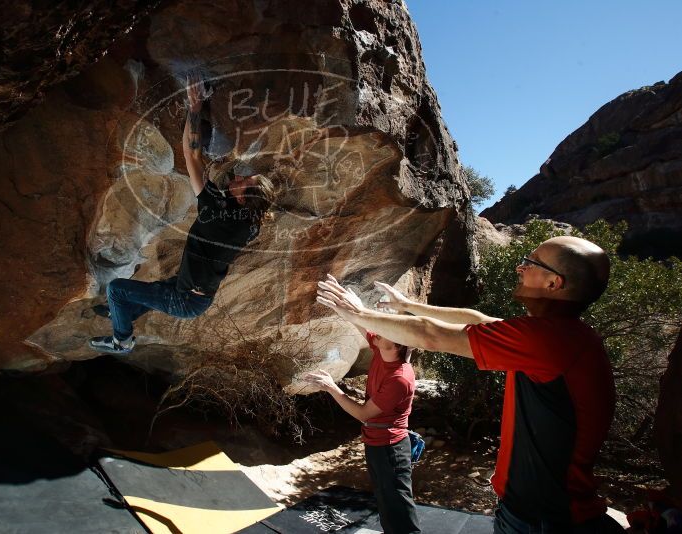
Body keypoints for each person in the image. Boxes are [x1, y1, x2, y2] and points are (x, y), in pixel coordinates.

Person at [316, 236, 626, 533]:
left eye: (529, 262)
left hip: (542, 517)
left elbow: (431, 335)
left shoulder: (550, 340)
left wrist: (359, 313)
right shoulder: (564, 335)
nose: (520, 268)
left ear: (553, 283)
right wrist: (407, 305)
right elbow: (474, 318)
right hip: (542, 511)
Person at [89, 76, 276, 355]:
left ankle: (122, 340)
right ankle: (121, 312)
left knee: (116, 288)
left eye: (242, 181)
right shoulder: (249, 222)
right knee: (150, 292)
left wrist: (195, 107)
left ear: (241, 198)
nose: (237, 176)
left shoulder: (218, 213)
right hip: (194, 293)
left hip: (186, 300)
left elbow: (192, 155)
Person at [304, 277, 421, 534]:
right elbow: (361, 322)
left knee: (398, 505)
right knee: (385, 500)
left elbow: (363, 414)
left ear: (397, 342)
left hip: (390, 448)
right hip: (376, 443)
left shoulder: (400, 378)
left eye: (383, 329)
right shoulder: (383, 347)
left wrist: (331, 387)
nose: (376, 331)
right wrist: (342, 306)